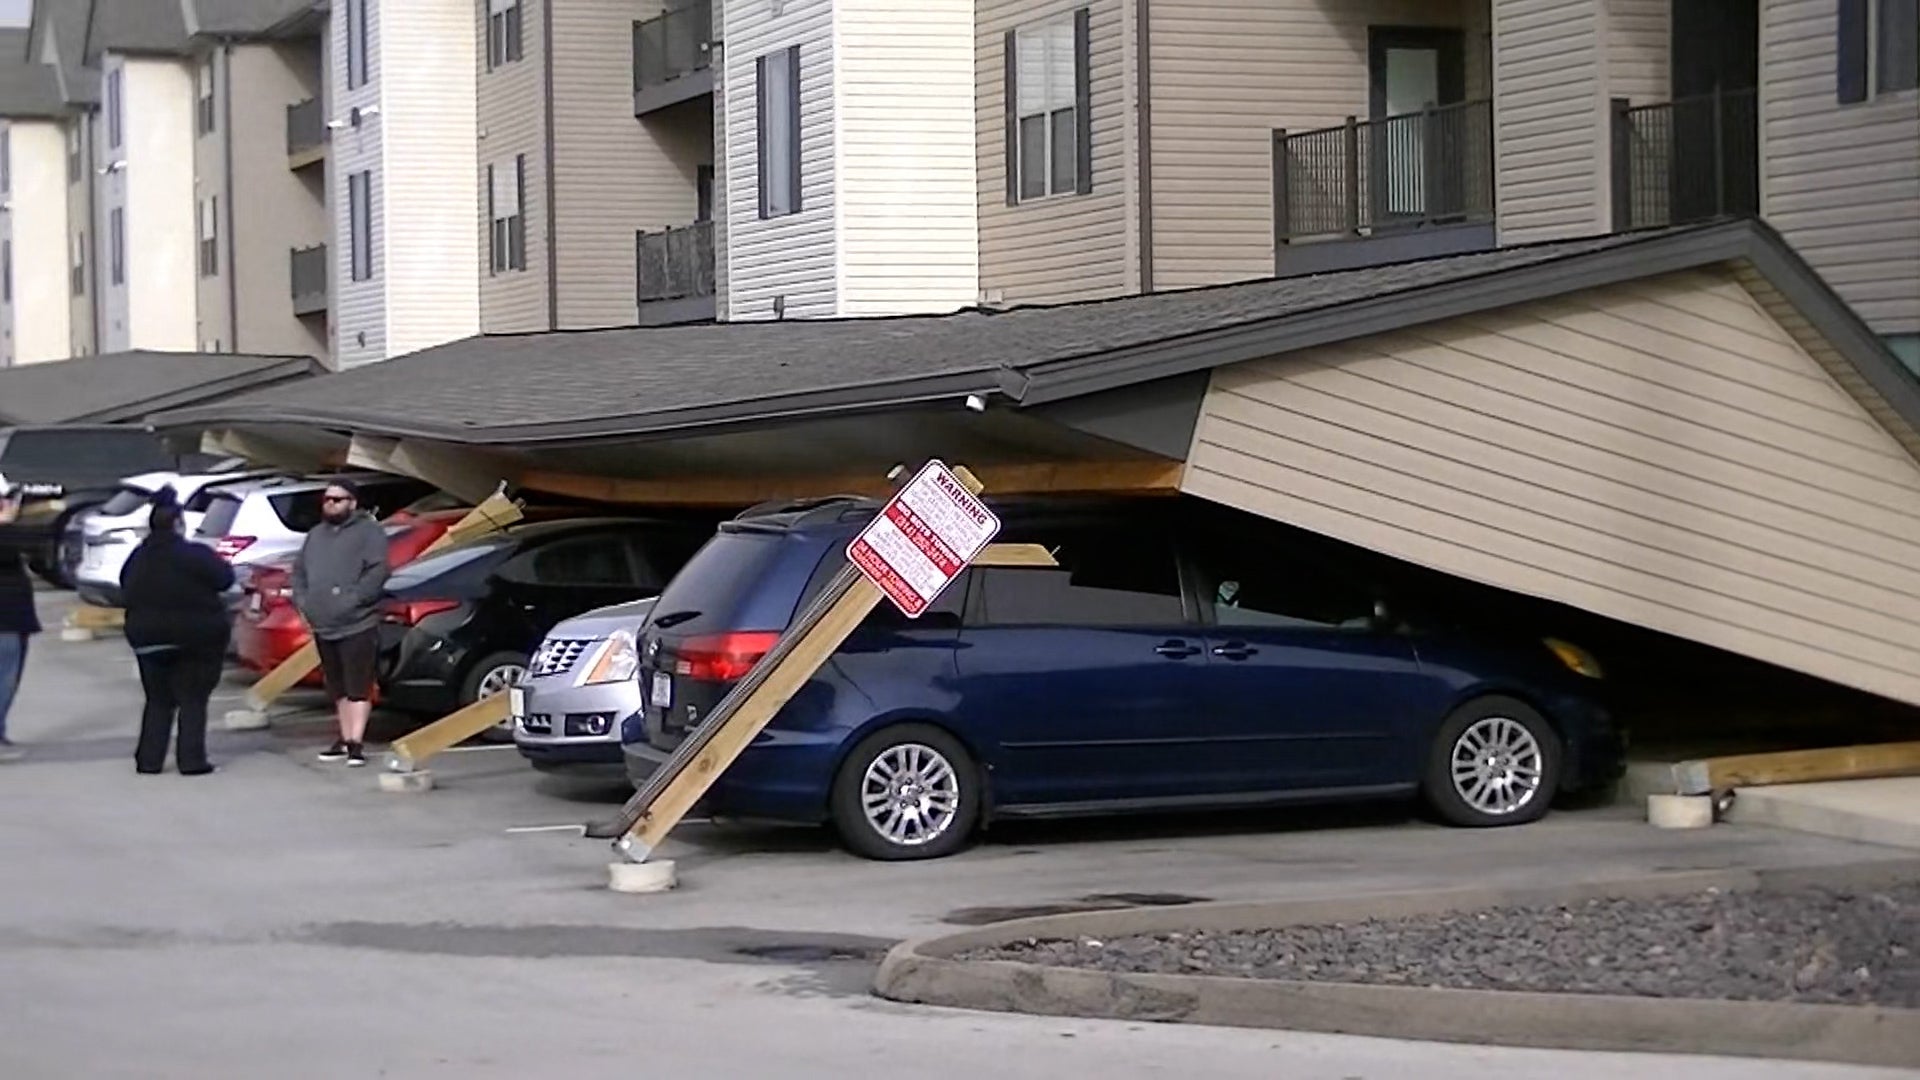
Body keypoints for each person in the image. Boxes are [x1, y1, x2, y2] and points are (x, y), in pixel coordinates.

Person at [120, 488, 235, 776]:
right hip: (196, 638)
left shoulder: (137, 558)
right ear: (179, 523)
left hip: (147, 638)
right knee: (193, 699)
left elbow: (125, 590)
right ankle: (191, 760)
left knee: (157, 700)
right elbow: (224, 579)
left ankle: (149, 760)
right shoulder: (194, 554)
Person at [293, 480, 390, 768]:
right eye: (327, 499)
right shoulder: (315, 535)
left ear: (353, 502)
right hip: (324, 624)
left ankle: (356, 743)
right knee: (338, 687)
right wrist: (304, 601)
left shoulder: (369, 532)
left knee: (357, 684)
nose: (331, 504)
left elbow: (378, 570)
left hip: (357, 624)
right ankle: (344, 736)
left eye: (338, 499)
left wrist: (354, 599)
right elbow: (299, 571)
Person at [0, 484, 40, 764]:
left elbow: (34, 546)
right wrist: (5, 525)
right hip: (6, 619)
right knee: (5, 678)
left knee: (9, 678)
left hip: (15, 617)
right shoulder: (5, 535)